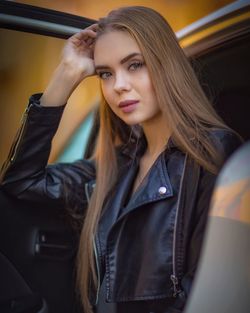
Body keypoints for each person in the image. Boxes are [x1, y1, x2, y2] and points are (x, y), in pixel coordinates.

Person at [0, 6, 242, 313]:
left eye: (135, 65)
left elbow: (205, 295)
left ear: (166, 65)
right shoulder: (111, 168)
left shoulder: (211, 153)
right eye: (105, 73)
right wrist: (66, 74)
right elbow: (21, 182)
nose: (118, 86)